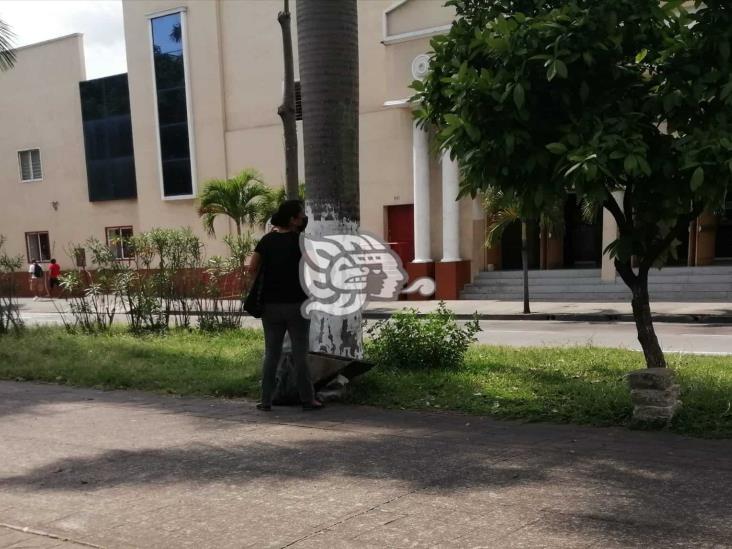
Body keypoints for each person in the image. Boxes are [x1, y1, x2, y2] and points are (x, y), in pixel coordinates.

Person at [248, 200, 322, 412]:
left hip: (270, 306)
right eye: (300, 216)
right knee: (300, 354)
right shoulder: (301, 241)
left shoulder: (266, 240)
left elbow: (252, 267)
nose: (302, 220)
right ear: (292, 220)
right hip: (297, 305)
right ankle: (308, 400)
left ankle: (266, 400)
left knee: (271, 353)